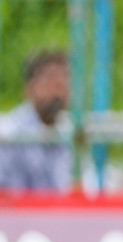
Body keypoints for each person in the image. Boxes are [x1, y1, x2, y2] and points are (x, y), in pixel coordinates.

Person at [0, 50, 72, 192]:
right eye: (50, 77)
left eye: (65, 77)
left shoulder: (72, 131)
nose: (59, 85)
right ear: (29, 88)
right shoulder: (9, 133)